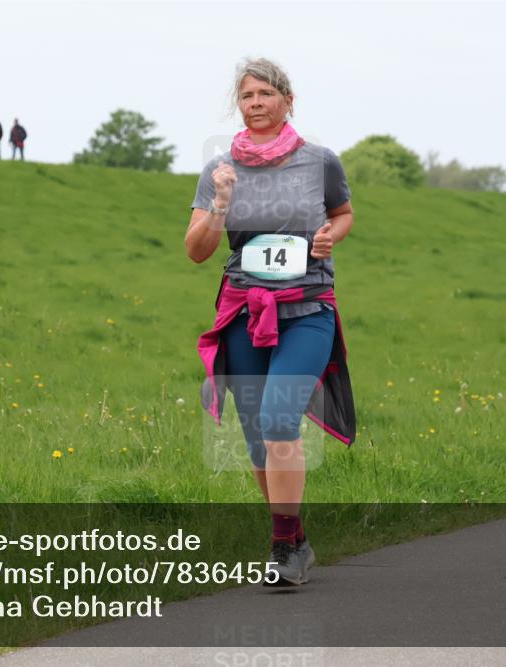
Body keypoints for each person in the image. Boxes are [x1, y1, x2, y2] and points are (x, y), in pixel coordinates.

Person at [188, 58, 357, 586]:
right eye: (247, 96)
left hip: (307, 309)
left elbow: (344, 212)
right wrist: (220, 204)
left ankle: (282, 548)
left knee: (281, 419)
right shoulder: (220, 170)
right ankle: (295, 539)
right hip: (243, 311)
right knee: (259, 438)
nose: (256, 103)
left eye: (265, 93)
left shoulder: (319, 161)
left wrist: (330, 236)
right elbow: (196, 251)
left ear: (287, 99)